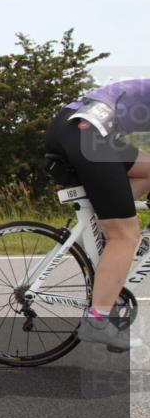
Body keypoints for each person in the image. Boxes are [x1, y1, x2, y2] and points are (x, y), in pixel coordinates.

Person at [44, 78, 150, 350]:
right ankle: (97, 320)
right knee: (126, 236)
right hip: (88, 133)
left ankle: (102, 231)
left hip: (77, 127)